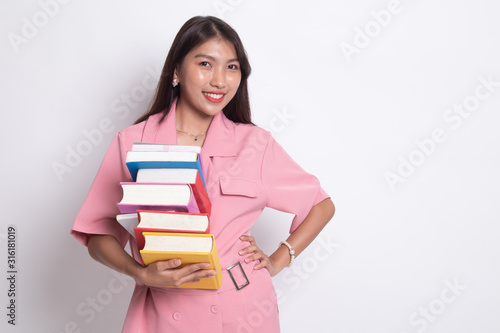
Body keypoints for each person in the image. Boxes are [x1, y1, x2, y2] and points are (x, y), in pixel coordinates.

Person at [71, 15, 335, 332]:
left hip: (244, 307)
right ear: (176, 71)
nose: (220, 81)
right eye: (205, 64)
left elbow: (321, 205)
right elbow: (97, 232)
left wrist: (280, 258)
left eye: (232, 67)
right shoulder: (133, 142)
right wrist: (139, 273)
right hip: (164, 313)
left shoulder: (256, 144)